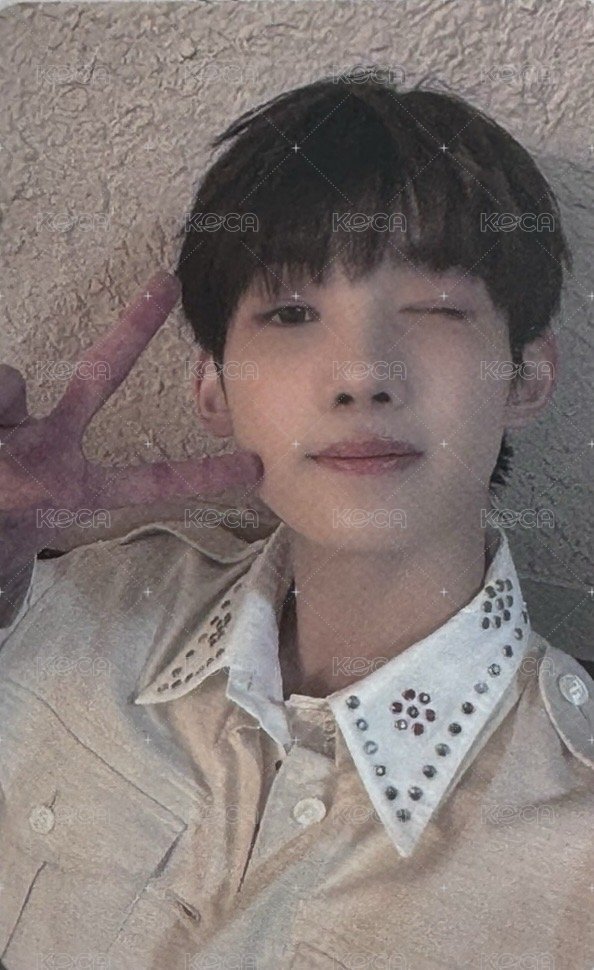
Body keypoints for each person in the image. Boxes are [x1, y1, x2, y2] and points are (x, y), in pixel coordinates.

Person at [0, 69, 592, 969]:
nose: (362, 375)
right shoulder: (56, 613)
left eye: (434, 308)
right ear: (212, 387)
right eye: (290, 312)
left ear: (527, 376)